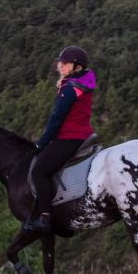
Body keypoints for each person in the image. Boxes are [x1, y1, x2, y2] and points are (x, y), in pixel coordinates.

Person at [23, 45, 96, 233]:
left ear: (77, 67)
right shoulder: (81, 83)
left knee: (39, 171)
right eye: (60, 62)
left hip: (69, 137)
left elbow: (56, 118)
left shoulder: (70, 89)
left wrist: (42, 142)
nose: (60, 65)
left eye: (65, 63)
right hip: (80, 133)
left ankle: (45, 217)